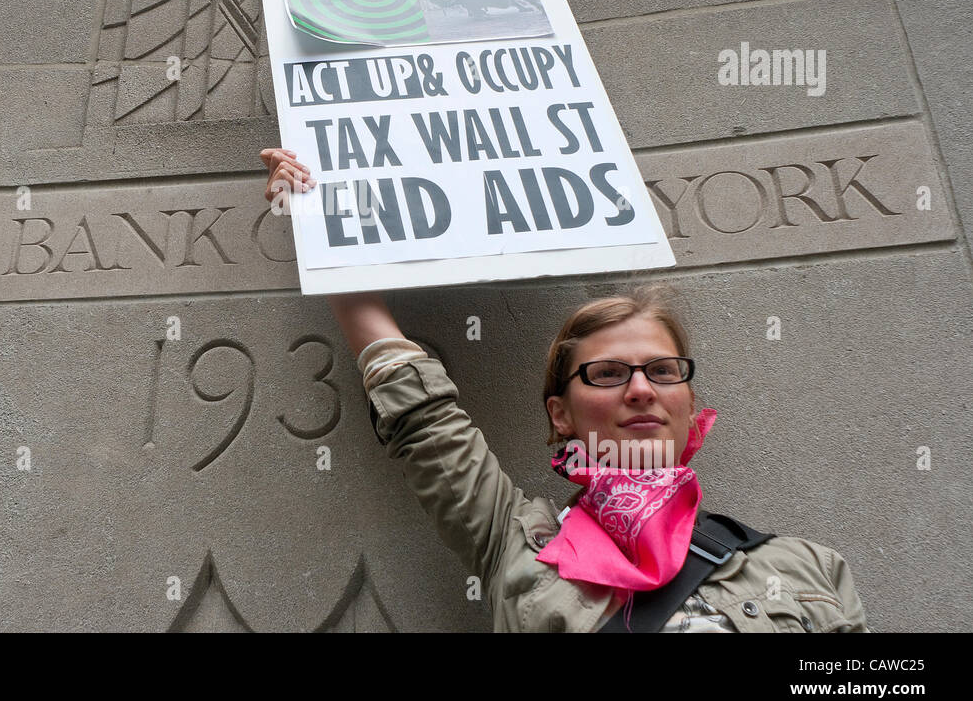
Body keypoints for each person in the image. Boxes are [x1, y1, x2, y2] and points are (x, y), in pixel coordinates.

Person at [259, 147, 870, 633]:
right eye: (606, 374)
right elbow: (425, 420)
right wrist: (322, 227)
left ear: (690, 406)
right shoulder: (517, 544)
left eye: (662, 371)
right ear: (561, 415)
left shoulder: (805, 567)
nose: (639, 389)